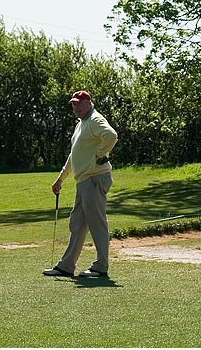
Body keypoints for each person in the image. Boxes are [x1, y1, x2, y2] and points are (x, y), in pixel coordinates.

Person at [43, 90, 118, 278]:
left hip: (94, 178)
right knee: (77, 224)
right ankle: (66, 266)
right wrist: (60, 178)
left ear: (88, 103)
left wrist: (99, 155)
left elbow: (111, 135)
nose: (75, 107)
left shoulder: (94, 119)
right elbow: (74, 155)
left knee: (97, 223)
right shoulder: (81, 124)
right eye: (73, 104)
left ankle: (101, 266)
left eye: (78, 103)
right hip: (84, 180)